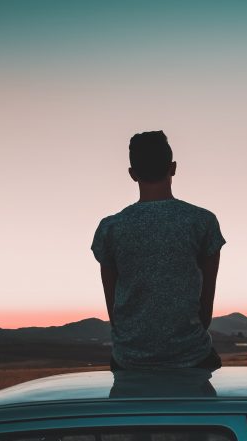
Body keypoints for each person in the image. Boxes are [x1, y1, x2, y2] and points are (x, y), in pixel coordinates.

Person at [91, 130, 224, 370]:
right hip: (192, 356)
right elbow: (206, 304)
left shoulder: (110, 228)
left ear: (132, 174)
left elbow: (113, 307)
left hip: (129, 359)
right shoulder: (202, 222)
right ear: (173, 168)